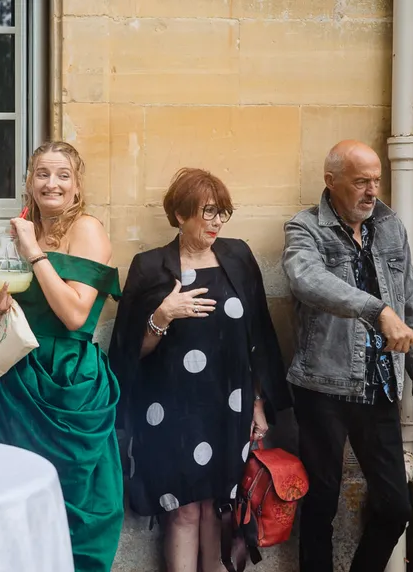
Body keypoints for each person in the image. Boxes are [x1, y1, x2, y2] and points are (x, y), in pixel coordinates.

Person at [0, 141, 124, 572]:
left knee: (71, 503)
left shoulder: (87, 230)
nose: (51, 183)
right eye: (41, 174)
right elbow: (22, 301)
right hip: (14, 372)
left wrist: (34, 251)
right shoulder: (21, 228)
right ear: (28, 182)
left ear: (77, 187)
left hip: (67, 379)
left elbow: (75, 315)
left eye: (62, 175)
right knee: (1, 492)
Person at [109, 167, 292, 572]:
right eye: (207, 212)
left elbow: (258, 334)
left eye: (222, 212)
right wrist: (162, 315)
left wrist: (259, 402)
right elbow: (127, 352)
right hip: (170, 412)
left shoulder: (238, 257)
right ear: (180, 215)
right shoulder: (150, 267)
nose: (216, 222)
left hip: (228, 407)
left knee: (220, 509)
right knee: (183, 511)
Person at [281, 140, 413, 572]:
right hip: (322, 387)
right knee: (321, 502)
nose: (372, 191)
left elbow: (409, 307)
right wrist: (376, 309)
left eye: (376, 180)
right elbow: (306, 278)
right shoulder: (305, 228)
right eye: (361, 182)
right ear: (330, 182)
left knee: (395, 506)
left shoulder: (391, 226)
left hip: (380, 389)